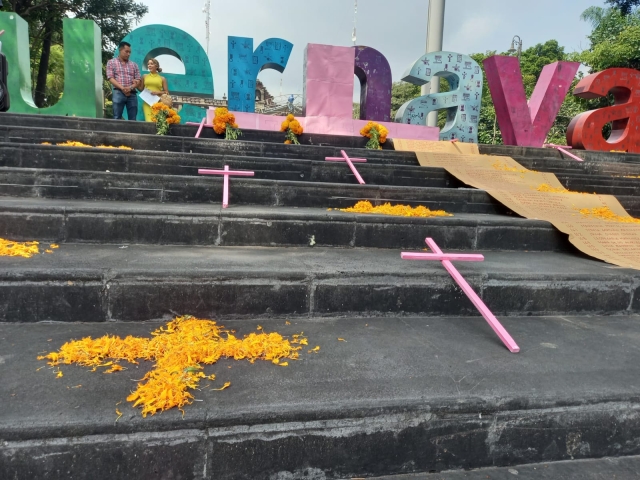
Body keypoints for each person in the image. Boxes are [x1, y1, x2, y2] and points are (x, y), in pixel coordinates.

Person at [106, 42, 141, 120]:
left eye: (130, 52)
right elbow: (110, 77)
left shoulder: (134, 65)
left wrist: (130, 88)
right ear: (120, 50)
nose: (128, 54)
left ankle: (132, 132)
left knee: (133, 118)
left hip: (132, 94)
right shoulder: (111, 62)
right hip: (118, 92)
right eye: (126, 51)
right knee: (116, 117)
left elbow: (138, 79)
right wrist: (123, 88)